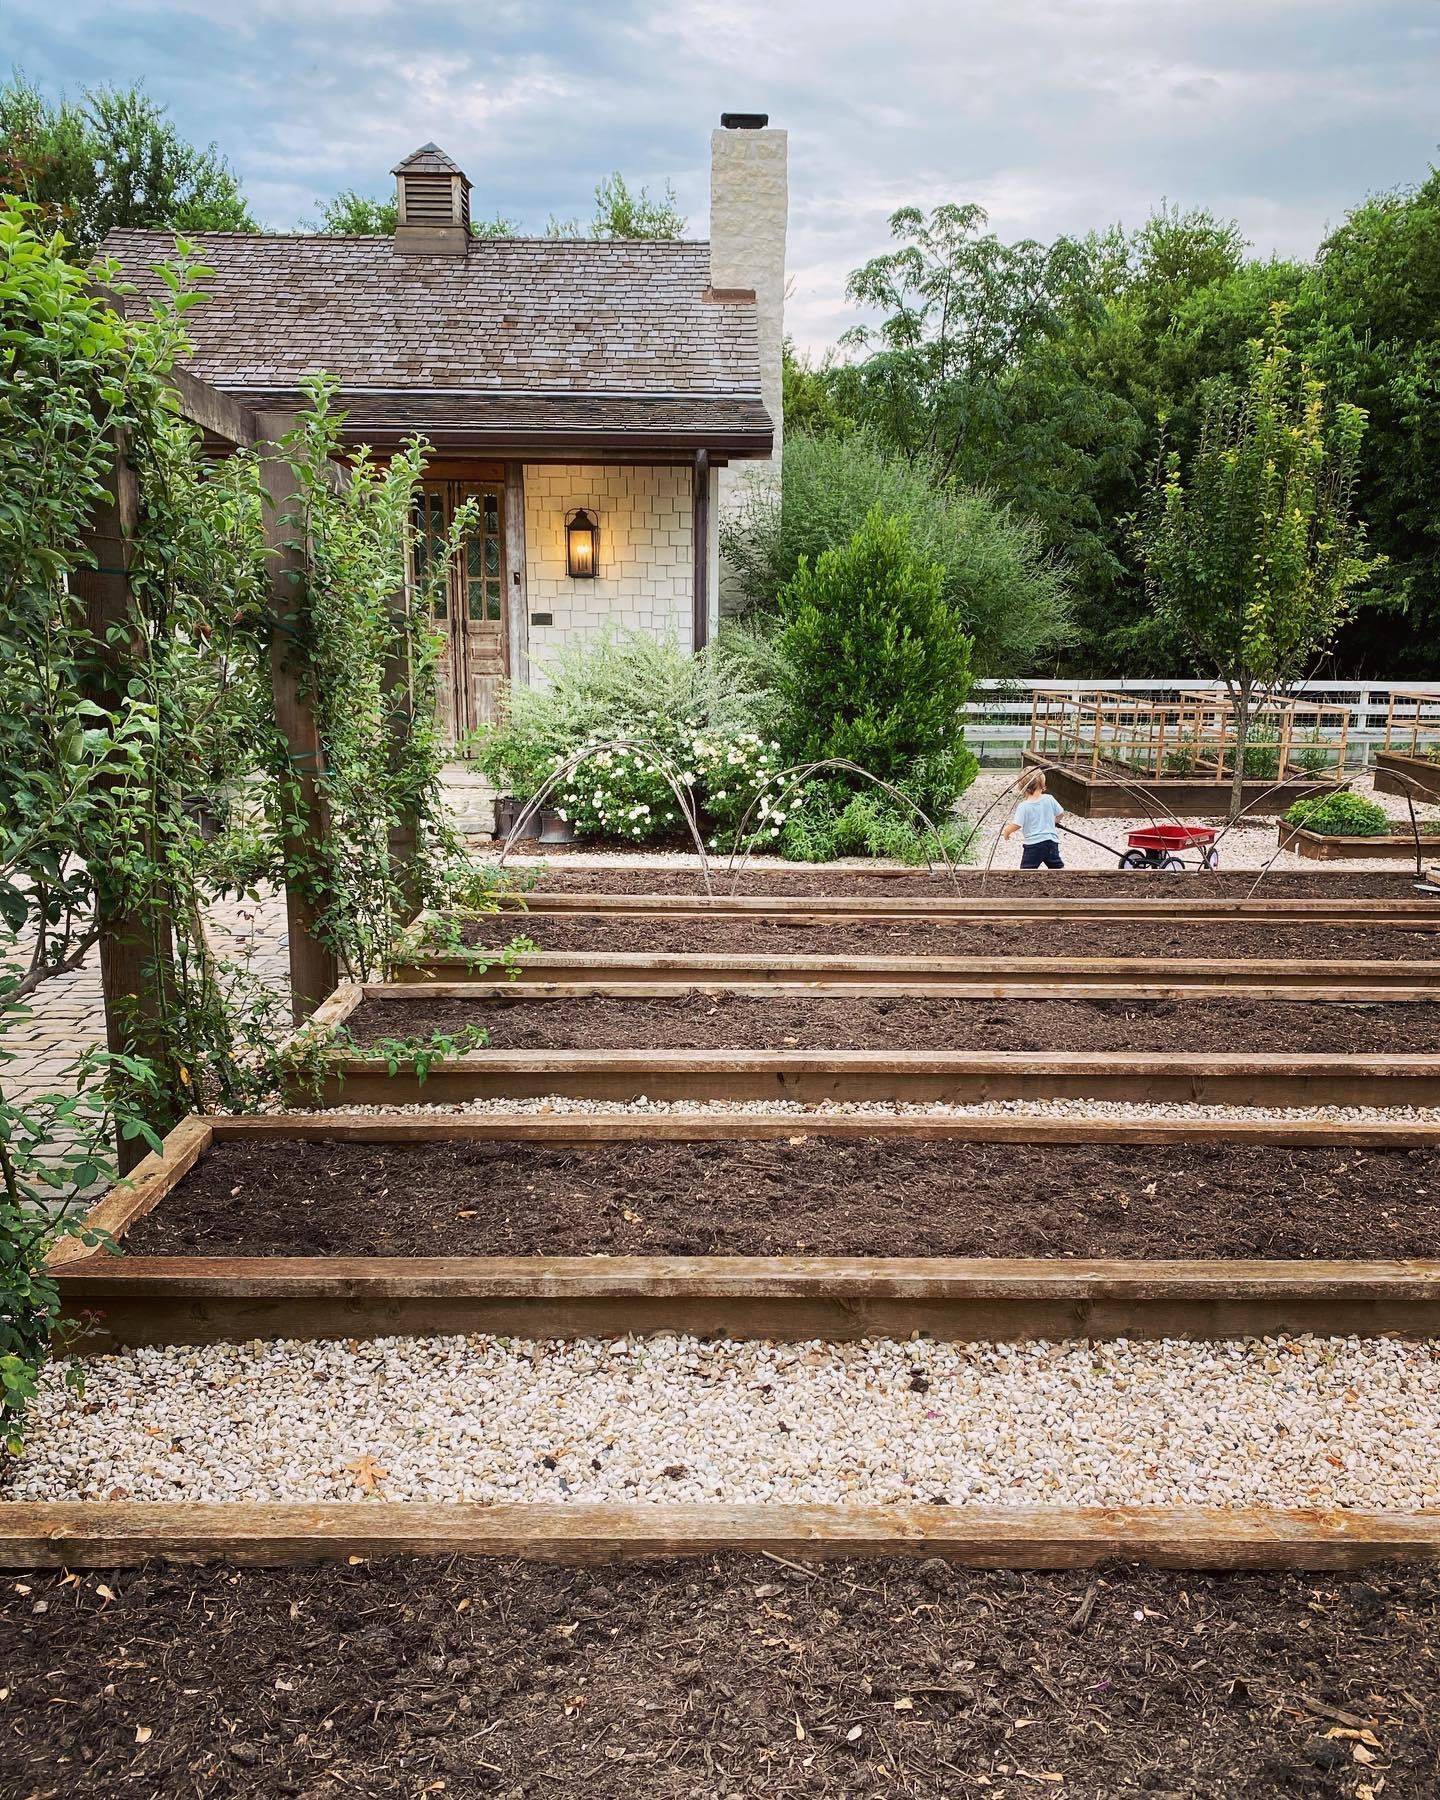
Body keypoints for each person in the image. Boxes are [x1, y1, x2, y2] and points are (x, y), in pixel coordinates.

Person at [1003, 769, 1066, 869]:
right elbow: (1061, 813)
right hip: (1051, 842)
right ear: (1043, 785)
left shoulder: (1024, 806)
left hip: (1033, 845)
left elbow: (1017, 825)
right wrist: (1055, 821)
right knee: (1056, 868)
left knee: (1027, 869)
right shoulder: (1049, 799)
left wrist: (1007, 832)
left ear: (1023, 788)